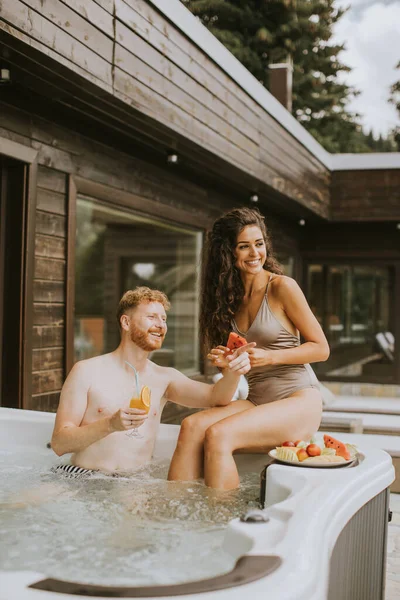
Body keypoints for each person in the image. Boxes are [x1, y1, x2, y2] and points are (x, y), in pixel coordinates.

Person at [167, 207, 330, 490]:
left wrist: (270, 357)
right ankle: (178, 519)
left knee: (219, 434)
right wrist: (228, 366)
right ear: (227, 253)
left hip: (298, 400)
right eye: (244, 246)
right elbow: (225, 394)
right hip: (257, 401)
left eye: (259, 244)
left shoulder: (282, 287)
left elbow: (321, 349)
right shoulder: (224, 301)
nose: (255, 253)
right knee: (191, 427)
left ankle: (220, 522)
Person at [51, 286, 252, 476]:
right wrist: (110, 425)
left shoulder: (165, 378)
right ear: (126, 323)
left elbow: (216, 397)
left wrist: (233, 372)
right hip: (80, 476)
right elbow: (60, 443)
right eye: (151, 317)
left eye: (164, 319)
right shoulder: (87, 371)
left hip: (133, 483)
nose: (160, 325)